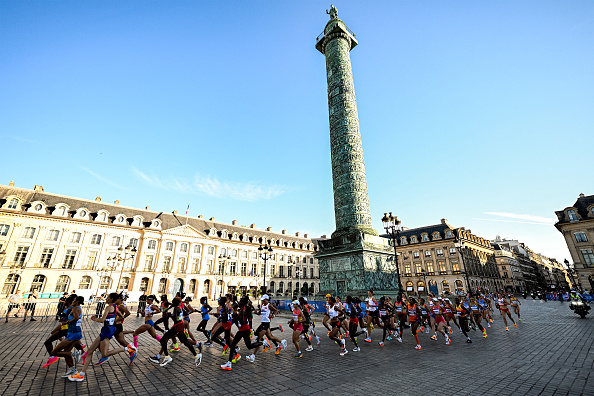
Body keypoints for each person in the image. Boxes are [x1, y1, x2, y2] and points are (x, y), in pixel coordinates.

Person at [68, 293, 137, 382]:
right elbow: (122, 316)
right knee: (89, 351)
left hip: (106, 332)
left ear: (111, 299)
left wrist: (94, 319)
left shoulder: (109, 307)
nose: (106, 299)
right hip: (105, 331)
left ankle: (127, 349)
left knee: (105, 354)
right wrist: (113, 321)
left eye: (108, 298)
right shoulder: (116, 307)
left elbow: (102, 320)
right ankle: (81, 374)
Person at [151, 296, 202, 367]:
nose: (172, 302)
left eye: (173, 301)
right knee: (185, 342)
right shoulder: (179, 306)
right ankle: (196, 355)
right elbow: (181, 311)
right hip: (179, 326)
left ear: (176, 302)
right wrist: (168, 309)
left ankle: (167, 357)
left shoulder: (177, 308)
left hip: (177, 327)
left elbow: (175, 319)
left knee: (163, 340)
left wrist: (170, 315)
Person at [43, 294, 85, 368]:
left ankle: (55, 357)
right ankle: (74, 366)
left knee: (51, 346)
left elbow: (72, 319)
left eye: (65, 300)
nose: (63, 301)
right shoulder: (71, 308)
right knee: (67, 350)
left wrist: (64, 323)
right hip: (71, 331)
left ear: (69, 301)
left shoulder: (72, 309)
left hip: (67, 330)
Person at [220, 296, 262, 370]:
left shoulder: (243, 310)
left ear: (244, 303)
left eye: (241, 301)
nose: (239, 302)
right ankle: (229, 363)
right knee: (247, 346)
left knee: (235, 345)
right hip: (243, 330)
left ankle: (229, 363)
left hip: (244, 330)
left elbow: (242, 322)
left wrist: (236, 316)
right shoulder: (242, 309)